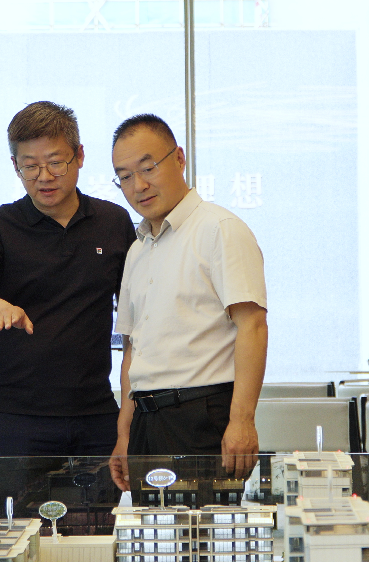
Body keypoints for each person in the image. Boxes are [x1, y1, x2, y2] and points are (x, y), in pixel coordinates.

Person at [0, 101, 136, 519]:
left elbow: (135, 318)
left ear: (79, 156)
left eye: (55, 162)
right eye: (30, 165)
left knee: (93, 534)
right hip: (16, 416)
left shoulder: (113, 223)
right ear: (15, 166)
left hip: (93, 413)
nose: (44, 176)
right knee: (18, 533)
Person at [107, 114, 268, 496]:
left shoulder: (219, 229)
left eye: (148, 168)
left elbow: (252, 325)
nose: (138, 185)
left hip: (200, 418)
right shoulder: (137, 250)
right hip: (146, 422)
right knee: (150, 533)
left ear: (179, 158)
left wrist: (242, 420)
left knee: (202, 531)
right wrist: (125, 433)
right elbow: (132, 348)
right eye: (125, 177)